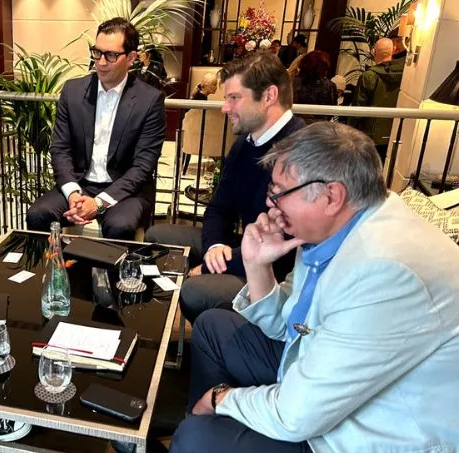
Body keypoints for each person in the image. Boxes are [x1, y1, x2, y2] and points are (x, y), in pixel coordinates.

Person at [170, 121, 459, 452]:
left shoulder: (384, 270)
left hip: (364, 432)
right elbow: (289, 325)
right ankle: (208, 424)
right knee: (213, 327)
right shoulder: (339, 226)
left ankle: (204, 430)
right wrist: (257, 263)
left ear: (331, 196)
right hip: (322, 379)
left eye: (279, 192)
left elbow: (296, 416)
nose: (270, 203)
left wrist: (220, 398)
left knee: (195, 439)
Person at [145, 51, 305, 325]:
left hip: (273, 275)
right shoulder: (245, 144)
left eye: (234, 98)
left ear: (269, 96)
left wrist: (211, 267)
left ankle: (216, 336)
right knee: (157, 236)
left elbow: (283, 250)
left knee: (195, 289)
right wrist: (215, 247)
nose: (224, 108)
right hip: (245, 246)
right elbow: (219, 207)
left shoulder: (300, 151)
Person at [25, 17, 165, 240]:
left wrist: (98, 203)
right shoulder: (72, 91)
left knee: (120, 226)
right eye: (97, 52)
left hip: (125, 190)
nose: (101, 62)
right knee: (38, 214)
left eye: (111, 55)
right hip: (80, 183)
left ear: (131, 58)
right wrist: (73, 193)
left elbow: (143, 166)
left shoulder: (149, 100)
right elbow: (60, 149)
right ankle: (54, 263)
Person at [349, 37, 404, 163]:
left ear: (374, 52)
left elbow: (358, 108)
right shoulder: (404, 75)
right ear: (393, 50)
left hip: (370, 135)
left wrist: (351, 131)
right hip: (393, 133)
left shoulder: (369, 76)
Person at [292, 51, 338, 124]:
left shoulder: (292, 82)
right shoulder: (330, 86)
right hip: (320, 126)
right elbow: (332, 111)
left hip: (295, 125)